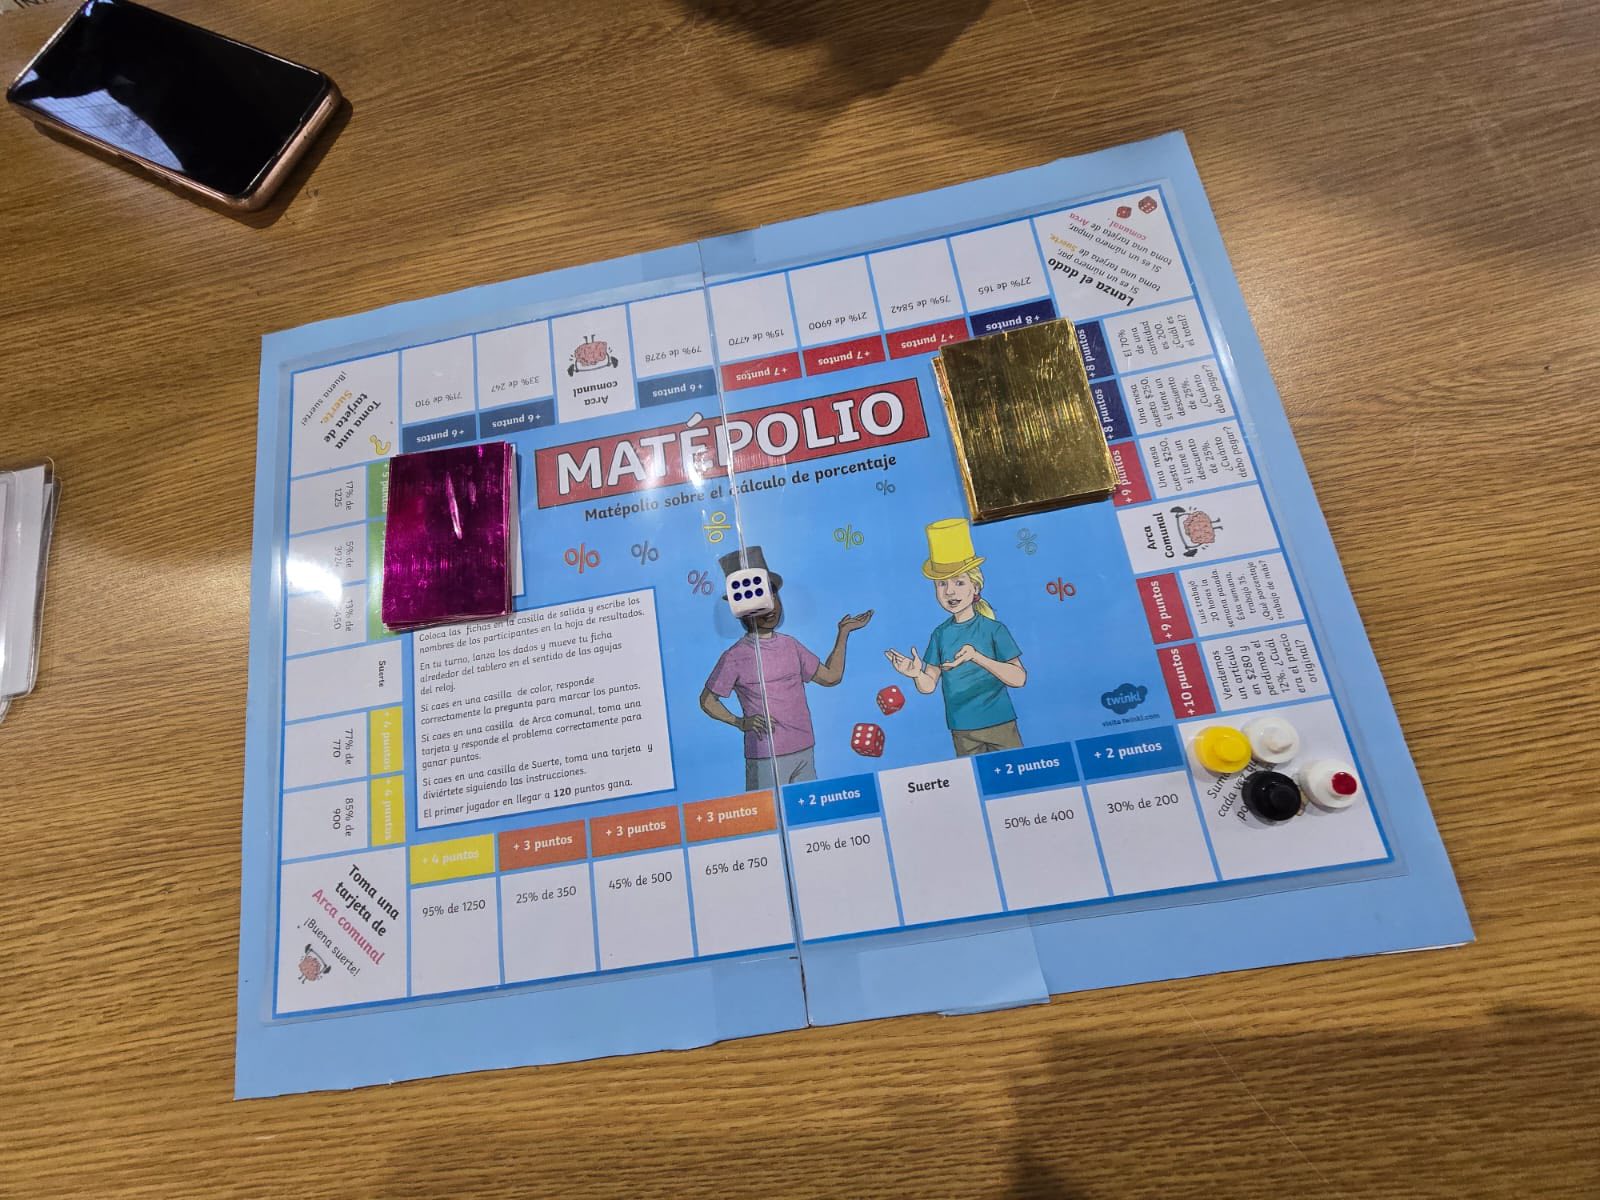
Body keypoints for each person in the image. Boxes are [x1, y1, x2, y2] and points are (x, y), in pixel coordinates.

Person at [700, 546, 873, 788]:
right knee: (769, 809)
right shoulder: (734, 656)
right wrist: (739, 722)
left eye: (771, 596)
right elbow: (708, 700)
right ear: (740, 611)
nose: (769, 608)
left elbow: (831, 677)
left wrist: (843, 633)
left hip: (804, 748)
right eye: (757, 601)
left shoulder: (791, 645)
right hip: (765, 755)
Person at [885, 518, 1026, 755]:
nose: (950, 591)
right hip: (962, 730)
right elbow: (928, 686)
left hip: (1000, 723)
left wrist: (977, 657)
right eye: (941, 584)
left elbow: (1019, 678)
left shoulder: (994, 629)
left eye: (959, 582)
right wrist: (915, 673)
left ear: (975, 587)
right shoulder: (940, 635)